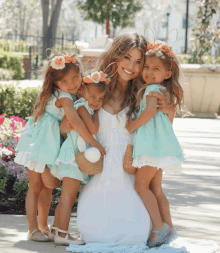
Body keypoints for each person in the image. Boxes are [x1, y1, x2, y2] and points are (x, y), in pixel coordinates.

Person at [63, 33, 176, 252]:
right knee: (93, 232)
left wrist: (170, 109)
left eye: (138, 62)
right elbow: (66, 121)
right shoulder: (94, 88)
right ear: (115, 56)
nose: (131, 66)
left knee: (134, 234)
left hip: (132, 177)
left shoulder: (147, 96)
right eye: (126, 57)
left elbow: (164, 133)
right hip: (98, 178)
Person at [14, 53, 105, 242]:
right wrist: (94, 142)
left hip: (49, 141)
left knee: (46, 188)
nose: (71, 83)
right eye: (64, 80)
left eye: (75, 77)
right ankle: (32, 229)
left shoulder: (71, 94)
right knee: (36, 187)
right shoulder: (64, 96)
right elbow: (74, 121)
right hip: (38, 142)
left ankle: (43, 226)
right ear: (55, 83)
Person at [125, 40, 185, 247]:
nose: (149, 73)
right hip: (159, 148)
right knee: (156, 187)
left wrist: (132, 126)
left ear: (168, 73)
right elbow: (167, 121)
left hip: (150, 148)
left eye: (156, 69)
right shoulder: (163, 91)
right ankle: (169, 226)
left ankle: (159, 228)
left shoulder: (151, 90)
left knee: (141, 186)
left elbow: (150, 112)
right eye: (147, 68)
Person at [48, 71, 109, 246]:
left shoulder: (82, 105)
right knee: (69, 197)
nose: (97, 102)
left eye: (101, 99)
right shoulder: (82, 107)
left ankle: (56, 230)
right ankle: (63, 234)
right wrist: (97, 114)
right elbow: (93, 129)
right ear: (82, 92)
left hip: (71, 156)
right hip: (73, 158)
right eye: (93, 96)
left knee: (65, 197)